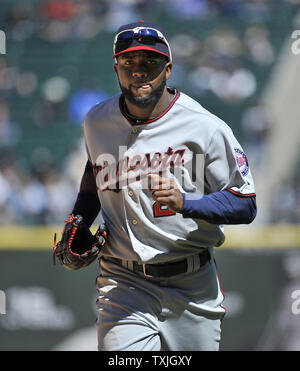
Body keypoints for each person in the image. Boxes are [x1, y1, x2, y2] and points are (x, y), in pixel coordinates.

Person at [65, 20, 257, 351]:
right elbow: (94, 171)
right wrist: (81, 218)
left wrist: (188, 202)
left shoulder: (205, 127)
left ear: (168, 69)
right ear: (116, 68)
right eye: (129, 62)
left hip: (191, 283)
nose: (139, 71)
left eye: (150, 63)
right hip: (122, 281)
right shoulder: (96, 121)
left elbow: (245, 203)